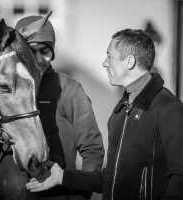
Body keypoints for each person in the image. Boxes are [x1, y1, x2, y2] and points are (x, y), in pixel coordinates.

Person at [26, 29, 183, 200]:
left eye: (110, 56)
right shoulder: (120, 112)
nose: (104, 63)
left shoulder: (169, 108)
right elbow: (110, 179)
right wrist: (62, 177)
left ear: (129, 61)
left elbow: (180, 176)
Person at [12, 13, 104, 200]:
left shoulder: (69, 89)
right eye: (32, 50)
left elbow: (92, 149)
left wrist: (81, 192)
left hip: (59, 195)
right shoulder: (6, 90)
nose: (38, 58)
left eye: (45, 51)